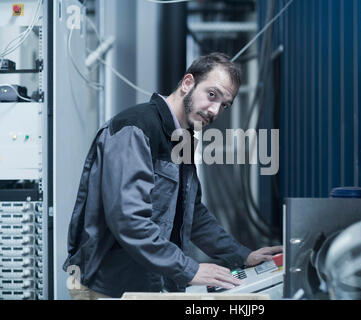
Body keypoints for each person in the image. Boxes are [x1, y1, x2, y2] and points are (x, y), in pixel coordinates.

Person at [63, 52, 282, 299]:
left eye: (224, 105)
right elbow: (129, 220)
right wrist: (190, 269)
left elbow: (193, 214)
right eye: (212, 95)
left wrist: (243, 255)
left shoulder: (184, 139)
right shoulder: (136, 127)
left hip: (147, 285)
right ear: (188, 83)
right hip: (105, 286)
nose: (214, 110)